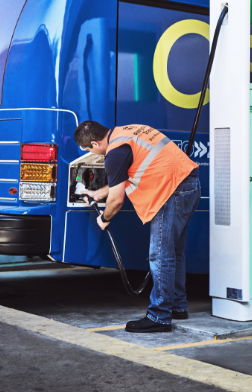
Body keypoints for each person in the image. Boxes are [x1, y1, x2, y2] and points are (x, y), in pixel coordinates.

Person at [74, 121, 200, 333]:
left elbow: (116, 201)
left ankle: (159, 316)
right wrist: (97, 194)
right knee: (174, 252)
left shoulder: (114, 154)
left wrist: (104, 219)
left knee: (160, 255)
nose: (92, 154)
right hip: (188, 184)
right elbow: (124, 176)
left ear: (95, 144)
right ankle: (177, 306)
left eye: (89, 150)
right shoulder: (127, 132)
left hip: (171, 192)